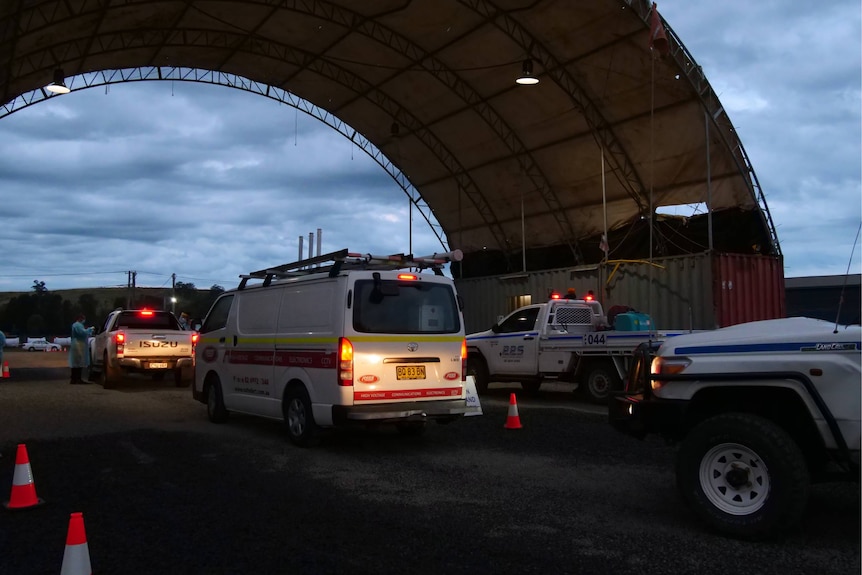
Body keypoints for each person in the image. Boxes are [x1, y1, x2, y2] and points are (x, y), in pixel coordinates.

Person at [69, 314, 94, 385]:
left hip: (77, 344)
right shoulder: (77, 325)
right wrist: (90, 329)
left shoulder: (76, 325)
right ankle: (77, 379)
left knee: (76, 363)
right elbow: (82, 332)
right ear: (80, 319)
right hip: (78, 345)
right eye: (83, 319)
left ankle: (74, 379)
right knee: (79, 362)